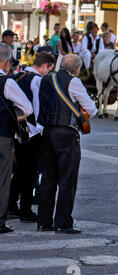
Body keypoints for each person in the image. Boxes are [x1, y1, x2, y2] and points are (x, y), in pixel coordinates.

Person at [37, 54, 97, 233]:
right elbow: (91, 110)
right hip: (66, 133)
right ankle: (63, 222)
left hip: (47, 132)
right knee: (67, 179)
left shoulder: (45, 80)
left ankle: (43, 221)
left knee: (48, 178)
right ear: (77, 69)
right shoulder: (74, 82)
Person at [8, 52, 56, 223]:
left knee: (20, 170)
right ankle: (25, 210)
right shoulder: (36, 80)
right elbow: (36, 106)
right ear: (45, 66)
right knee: (30, 172)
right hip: (31, 130)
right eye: (49, 70)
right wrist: (41, 128)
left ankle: (11, 204)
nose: (49, 73)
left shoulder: (17, 75)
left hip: (16, 128)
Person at [0, 43, 33, 234]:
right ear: (6, 61)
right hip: (3, 135)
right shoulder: (8, 83)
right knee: (3, 179)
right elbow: (27, 108)